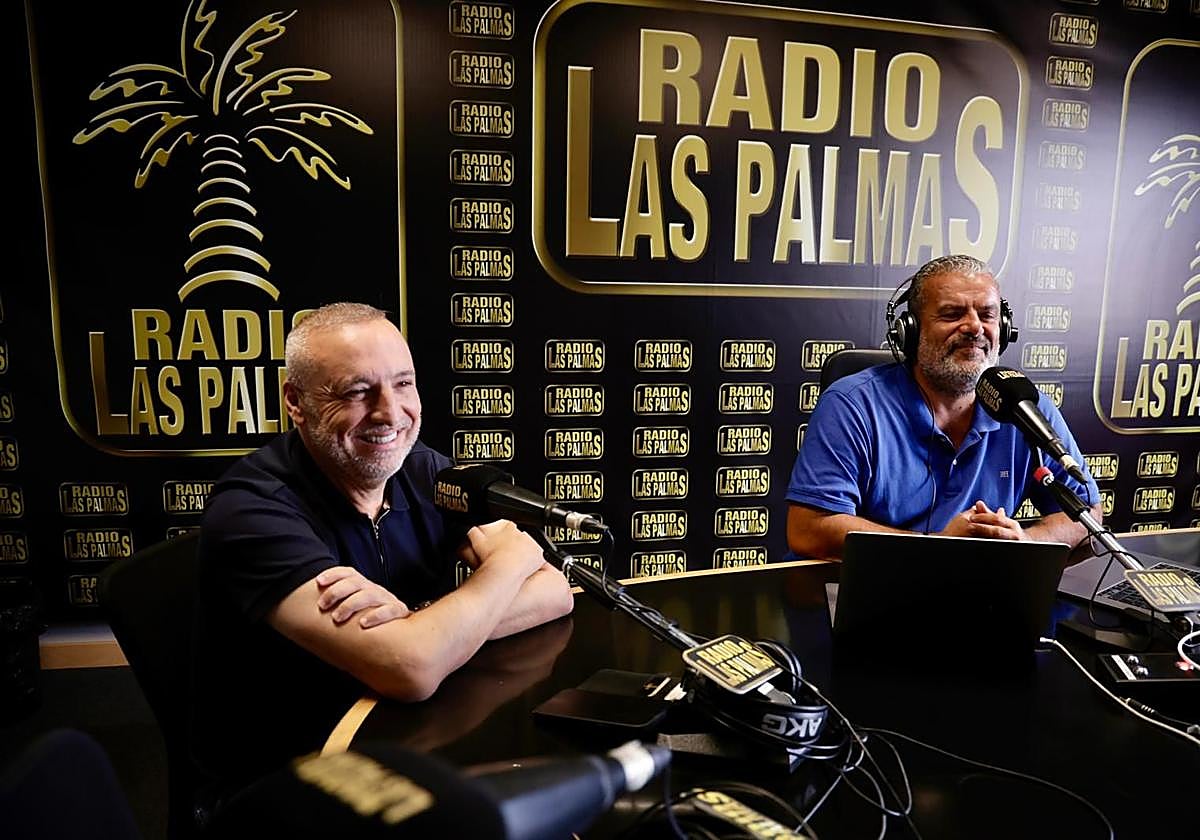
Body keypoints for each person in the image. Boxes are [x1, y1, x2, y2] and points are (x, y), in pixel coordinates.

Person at [192, 302, 573, 794]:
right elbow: (410, 669)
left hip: (403, 742)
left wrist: (422, 626)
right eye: (356, 391)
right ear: (295, 400)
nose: (390, 413)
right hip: (286, 777)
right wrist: (509, 562)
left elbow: (554, 592)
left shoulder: (423, 471)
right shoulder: (251, 511)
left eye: (403, 383)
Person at [786, 255, 1101, 559]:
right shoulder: (853, 405)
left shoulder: (1024, 408)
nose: (974, 328)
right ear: (910, 331)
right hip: (872, 593)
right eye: (952, 314)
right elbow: (808, 529)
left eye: (987, 314)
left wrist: (1024, 541)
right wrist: (937, 549)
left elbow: (1087, 515)